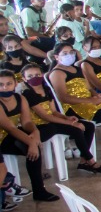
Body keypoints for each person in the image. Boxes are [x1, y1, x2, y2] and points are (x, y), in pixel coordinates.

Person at [18, 63, 101, 174]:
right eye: (30, 76)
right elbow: (45, 116)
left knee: (89, 126)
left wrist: (67, 118)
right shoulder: (28, 94)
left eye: (37, 74)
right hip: (41, 124)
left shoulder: (46, 89)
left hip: (53, 120)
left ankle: (83, 160)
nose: (35, 78)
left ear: (42, 74)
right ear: (24, 79)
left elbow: (54, 111)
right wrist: (70, 123)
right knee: (77, 129)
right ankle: (90, 160)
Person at [0, 70, 60, 201]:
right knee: (31, 146)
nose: (5, 87)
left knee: (33, 148)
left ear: (15, 83)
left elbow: (26, 121)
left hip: (10, 134)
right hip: (2, 138)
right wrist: (31, 142)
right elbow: (9, 127)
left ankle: (39, 191)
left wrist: (35, 132)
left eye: (9, 83)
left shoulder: (20, 98)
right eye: (1, 84)